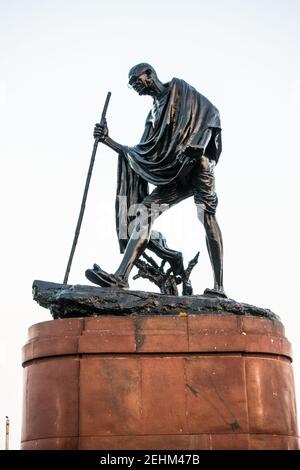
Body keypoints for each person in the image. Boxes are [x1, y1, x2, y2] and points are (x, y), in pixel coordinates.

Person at [86, 63, 226, 297]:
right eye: (131, 85)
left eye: (136, 81)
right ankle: (121, 277)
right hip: (174, 176)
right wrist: (107, 140)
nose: (135, 87)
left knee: (206, 217)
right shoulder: (152, 115)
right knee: (145, 213)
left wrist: (199, 145)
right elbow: (140, 152)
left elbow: (212, 113)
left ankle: (219, 287)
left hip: (198, 167)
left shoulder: (181, 90)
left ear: (150, 74)